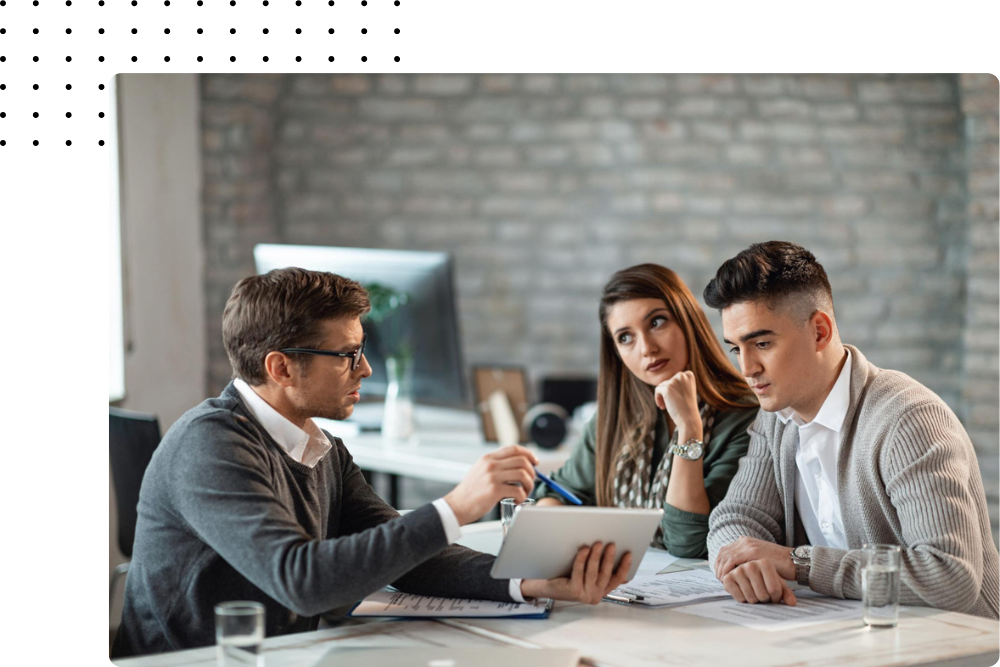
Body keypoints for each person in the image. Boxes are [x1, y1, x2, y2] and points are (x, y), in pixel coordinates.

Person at [112, 268, 633, 657]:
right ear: (281, 367)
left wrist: (532, 582)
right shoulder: (211, 446)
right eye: (346, 355)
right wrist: (457, 505)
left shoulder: (321, 448)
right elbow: (304, 581)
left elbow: (413, 555)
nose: (364, 369)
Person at [704, 241, 999, 619]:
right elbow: (735, 519)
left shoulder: (909, 419)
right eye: (736, 349)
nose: (747, 368)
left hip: (960, 647)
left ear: (820, 332)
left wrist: (800, 564)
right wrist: (740, 564)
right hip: (859, 638)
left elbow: (949, 575)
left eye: (762, 343)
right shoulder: (777, 417)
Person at [532, 264, 759, 558]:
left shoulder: (747, 417)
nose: (646, 348)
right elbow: (557, 493)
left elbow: (687, 541)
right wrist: (548, 520)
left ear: (687, 321)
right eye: (625, 337)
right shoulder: (612, 418)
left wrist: (689, 429)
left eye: (657, 322)